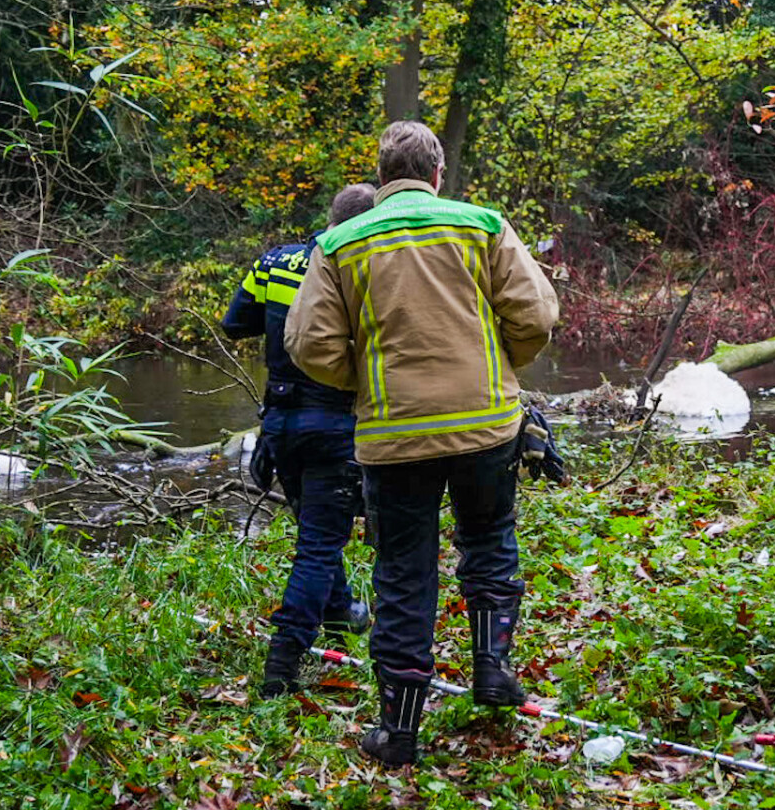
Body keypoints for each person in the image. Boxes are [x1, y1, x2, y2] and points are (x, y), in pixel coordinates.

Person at [285, 121, 560, 767]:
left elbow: (308, 344)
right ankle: (492, 667)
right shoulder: (481, 225)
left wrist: (367, 381)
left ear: (382, 177)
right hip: (486, 422)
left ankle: (400, 731)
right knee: (489, 542)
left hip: (392, 433)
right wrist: (501, 367)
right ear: (438, 175)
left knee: (403, 573)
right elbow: (537, 315)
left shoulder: (340, 242)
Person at [221, 182, 380, 699]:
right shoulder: (366, 269)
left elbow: (236, 322)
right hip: (335, 425)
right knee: (318, 544)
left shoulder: (275, 262)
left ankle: (343, 612)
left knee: (316, 531)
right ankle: (282, 664)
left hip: (279, 426)